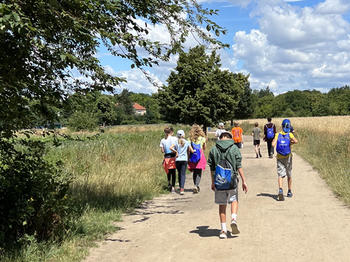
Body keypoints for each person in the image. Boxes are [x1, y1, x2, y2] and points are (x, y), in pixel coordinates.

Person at [208, 131, 248, 239]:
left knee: (222, 205)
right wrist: (244, 181)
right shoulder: (234, 148)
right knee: (234, 200)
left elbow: (211, 169)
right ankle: (234, 219)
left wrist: (212, 182)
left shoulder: (213, 149)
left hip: (219, 181)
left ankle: (223, 230)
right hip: (232, 180)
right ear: (230, 138)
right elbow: (239, 166)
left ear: (220, 138)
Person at [272, 119, 298, 201]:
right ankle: (289, 191)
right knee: (289, 174)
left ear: (282, 126)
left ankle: (280, 189)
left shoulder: (277, 134)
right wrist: (290, 143)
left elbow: (273, 144)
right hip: (288, 157)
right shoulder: (290, 134)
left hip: (279, 157)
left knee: (280, 174)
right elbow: (296, 141)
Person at [170, 130, 194, 195]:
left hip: (177, 160)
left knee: (179, 173)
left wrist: (176, 152)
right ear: (183, 135)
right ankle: (182, 189)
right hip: (184, 160)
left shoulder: (176, 142)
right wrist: (195, 150)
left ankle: (180, 187)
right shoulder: (187, 142)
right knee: (183, 174)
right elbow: (191, 151)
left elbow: (170, 148)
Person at [188, 124, 207, 193]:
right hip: (200, 156)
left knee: (194, 172)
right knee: (199, 172)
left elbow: (188, 149)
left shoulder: (190, 139)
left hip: (192, 156)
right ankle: (196, 185)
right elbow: (204, 148)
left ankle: (195, 185)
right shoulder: (202, 138)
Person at [160, 127, 177, 192]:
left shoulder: (162, 140)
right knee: (173, 172)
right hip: (173, 156)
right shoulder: (175, 138)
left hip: (166, 157)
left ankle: (169, 183)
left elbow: (162, 150)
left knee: (168, 172)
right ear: (171, 132)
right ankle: (173, 187)